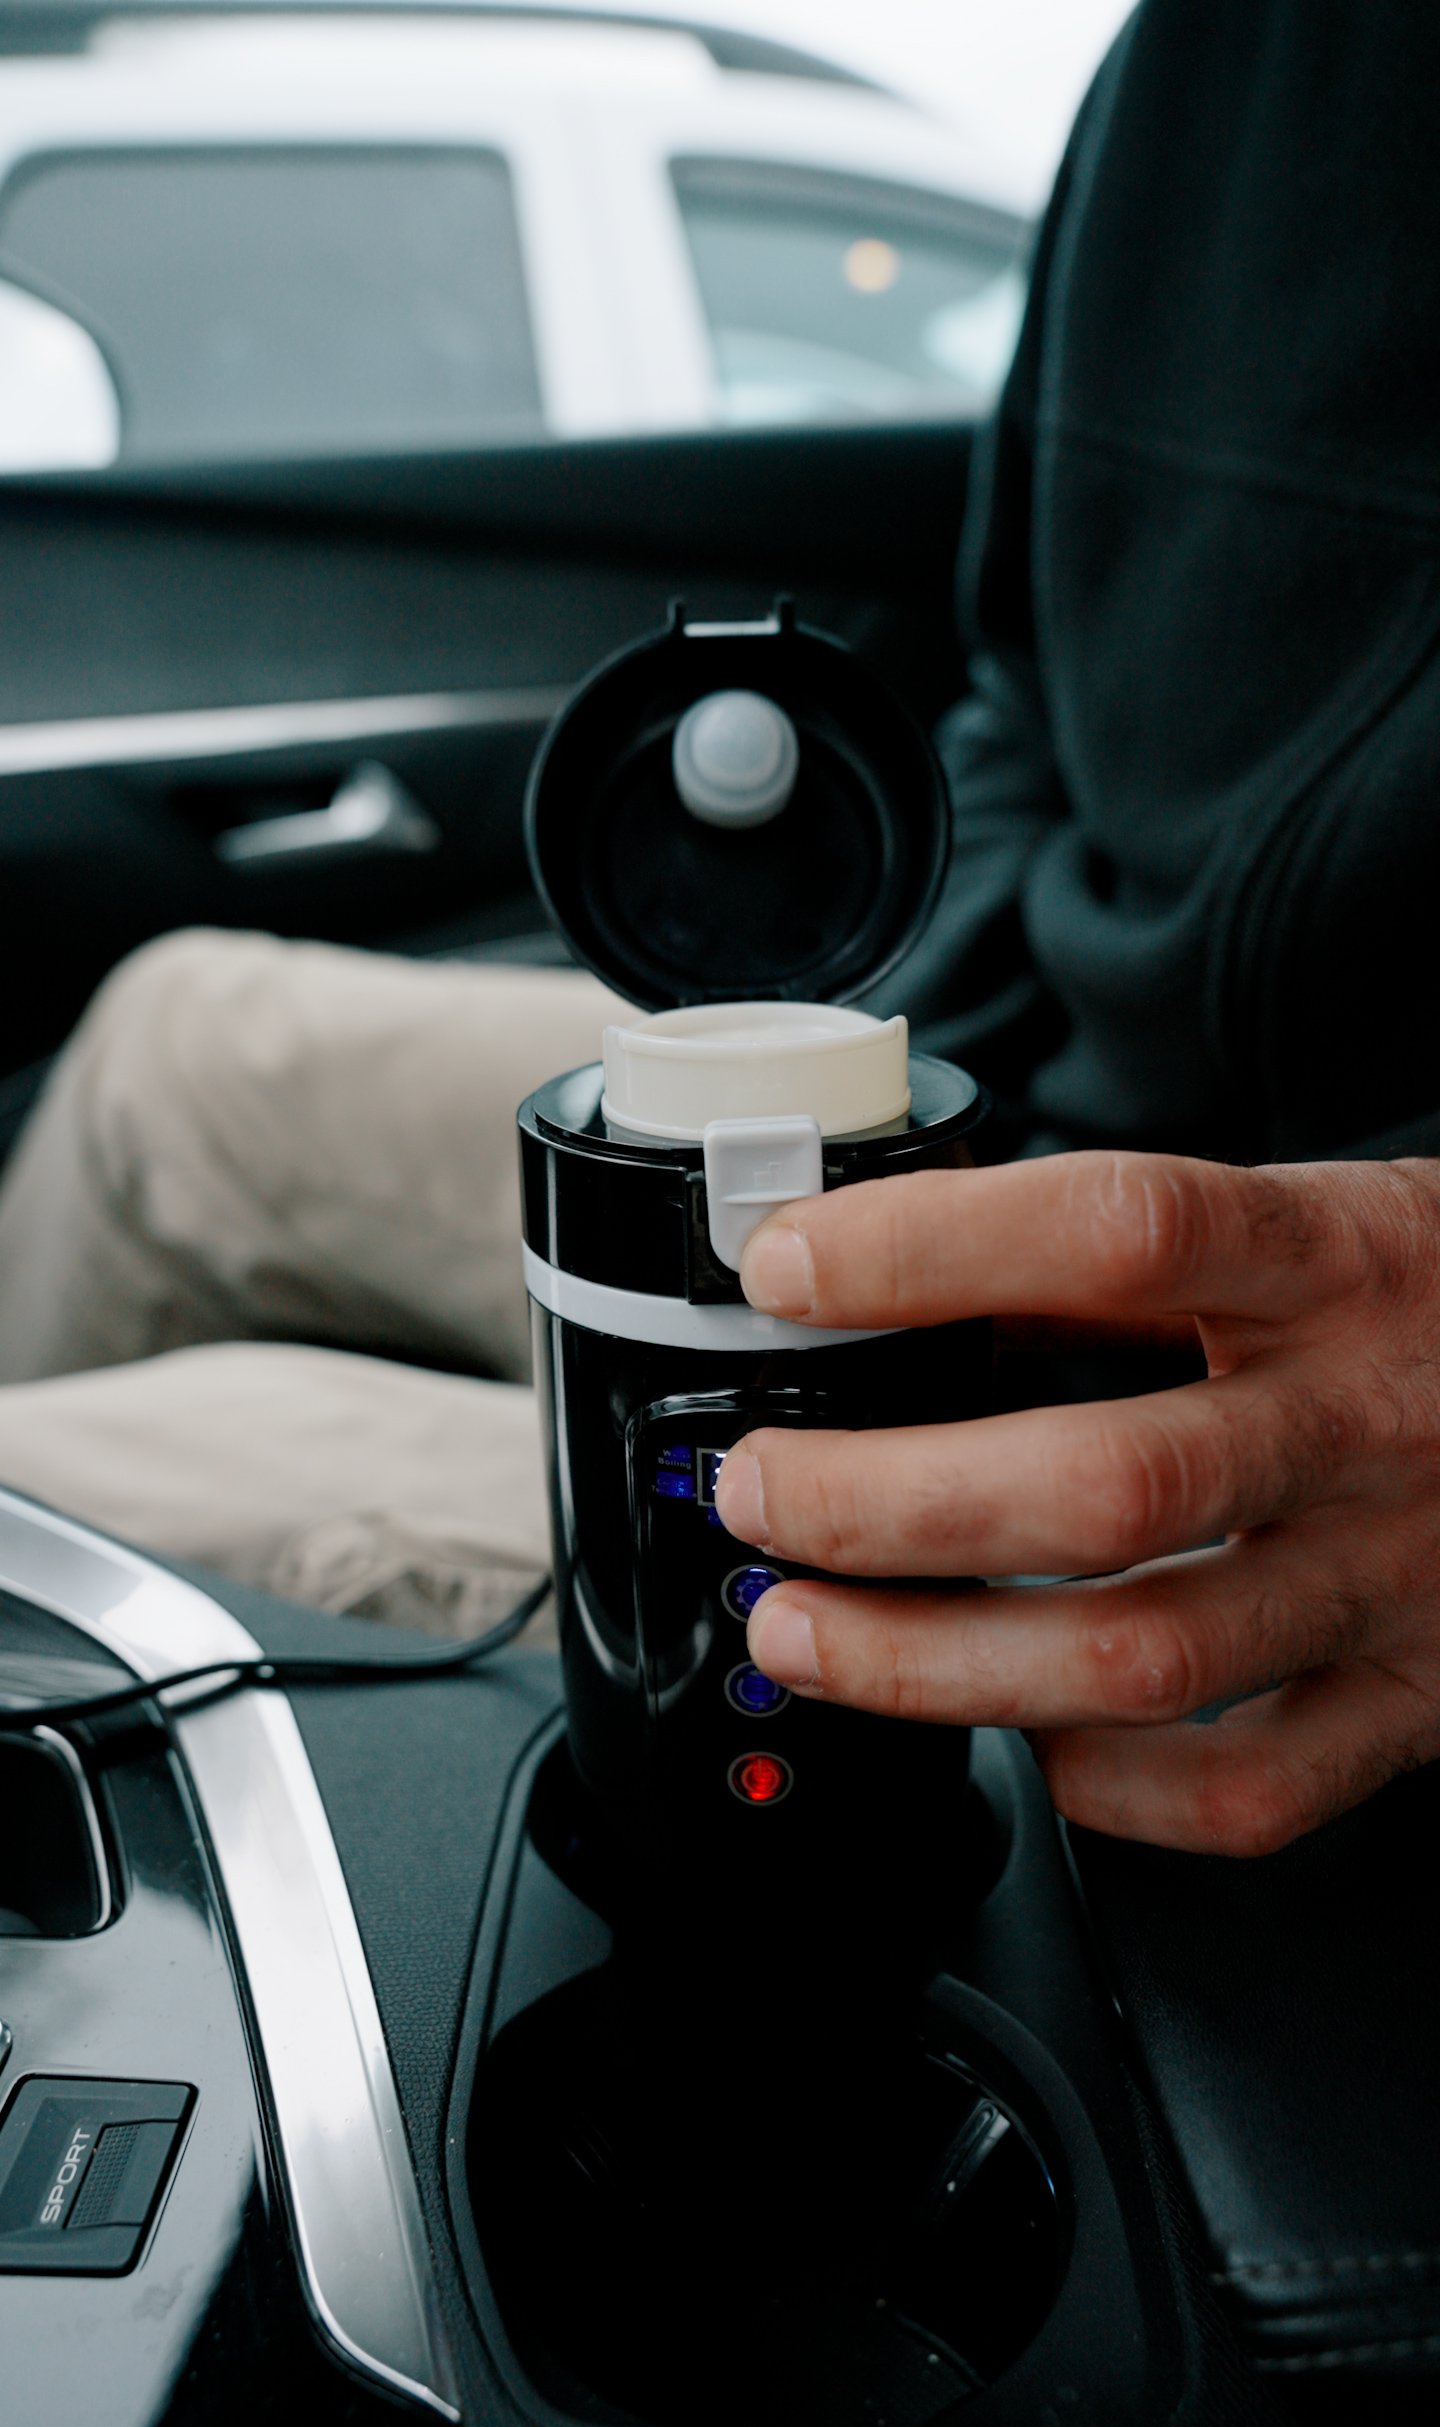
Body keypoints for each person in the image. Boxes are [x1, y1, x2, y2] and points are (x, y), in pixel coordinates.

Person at [3, 0, 1439, 1855]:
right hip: (1037, 1102)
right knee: (175, 1041)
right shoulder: (1205, 63)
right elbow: (1024, 675)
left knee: (40, 1492)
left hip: (1312, 1349)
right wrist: (892, 1045)